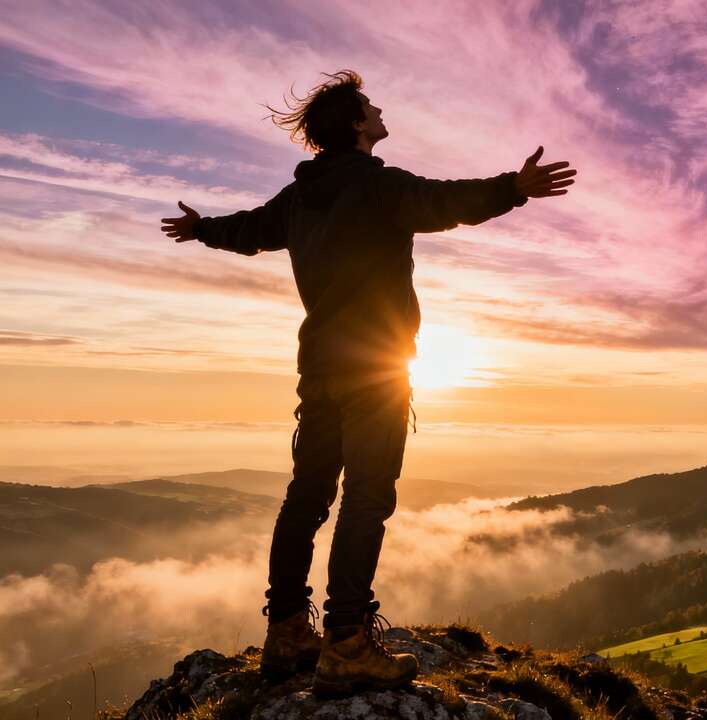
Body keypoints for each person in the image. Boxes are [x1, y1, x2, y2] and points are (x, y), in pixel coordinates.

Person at [159, 69, 576, 696]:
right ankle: (347, 641)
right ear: (357, 125)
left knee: (307, 498)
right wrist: (513, 188)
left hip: (320, 370)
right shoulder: (378, 186)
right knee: (366, 499)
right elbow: (445, 201)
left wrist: (202, 229)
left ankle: (288, 631)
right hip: (376, 373)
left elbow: (249, 230)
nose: (381, 111)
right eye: (371, 107)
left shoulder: (299, 197)